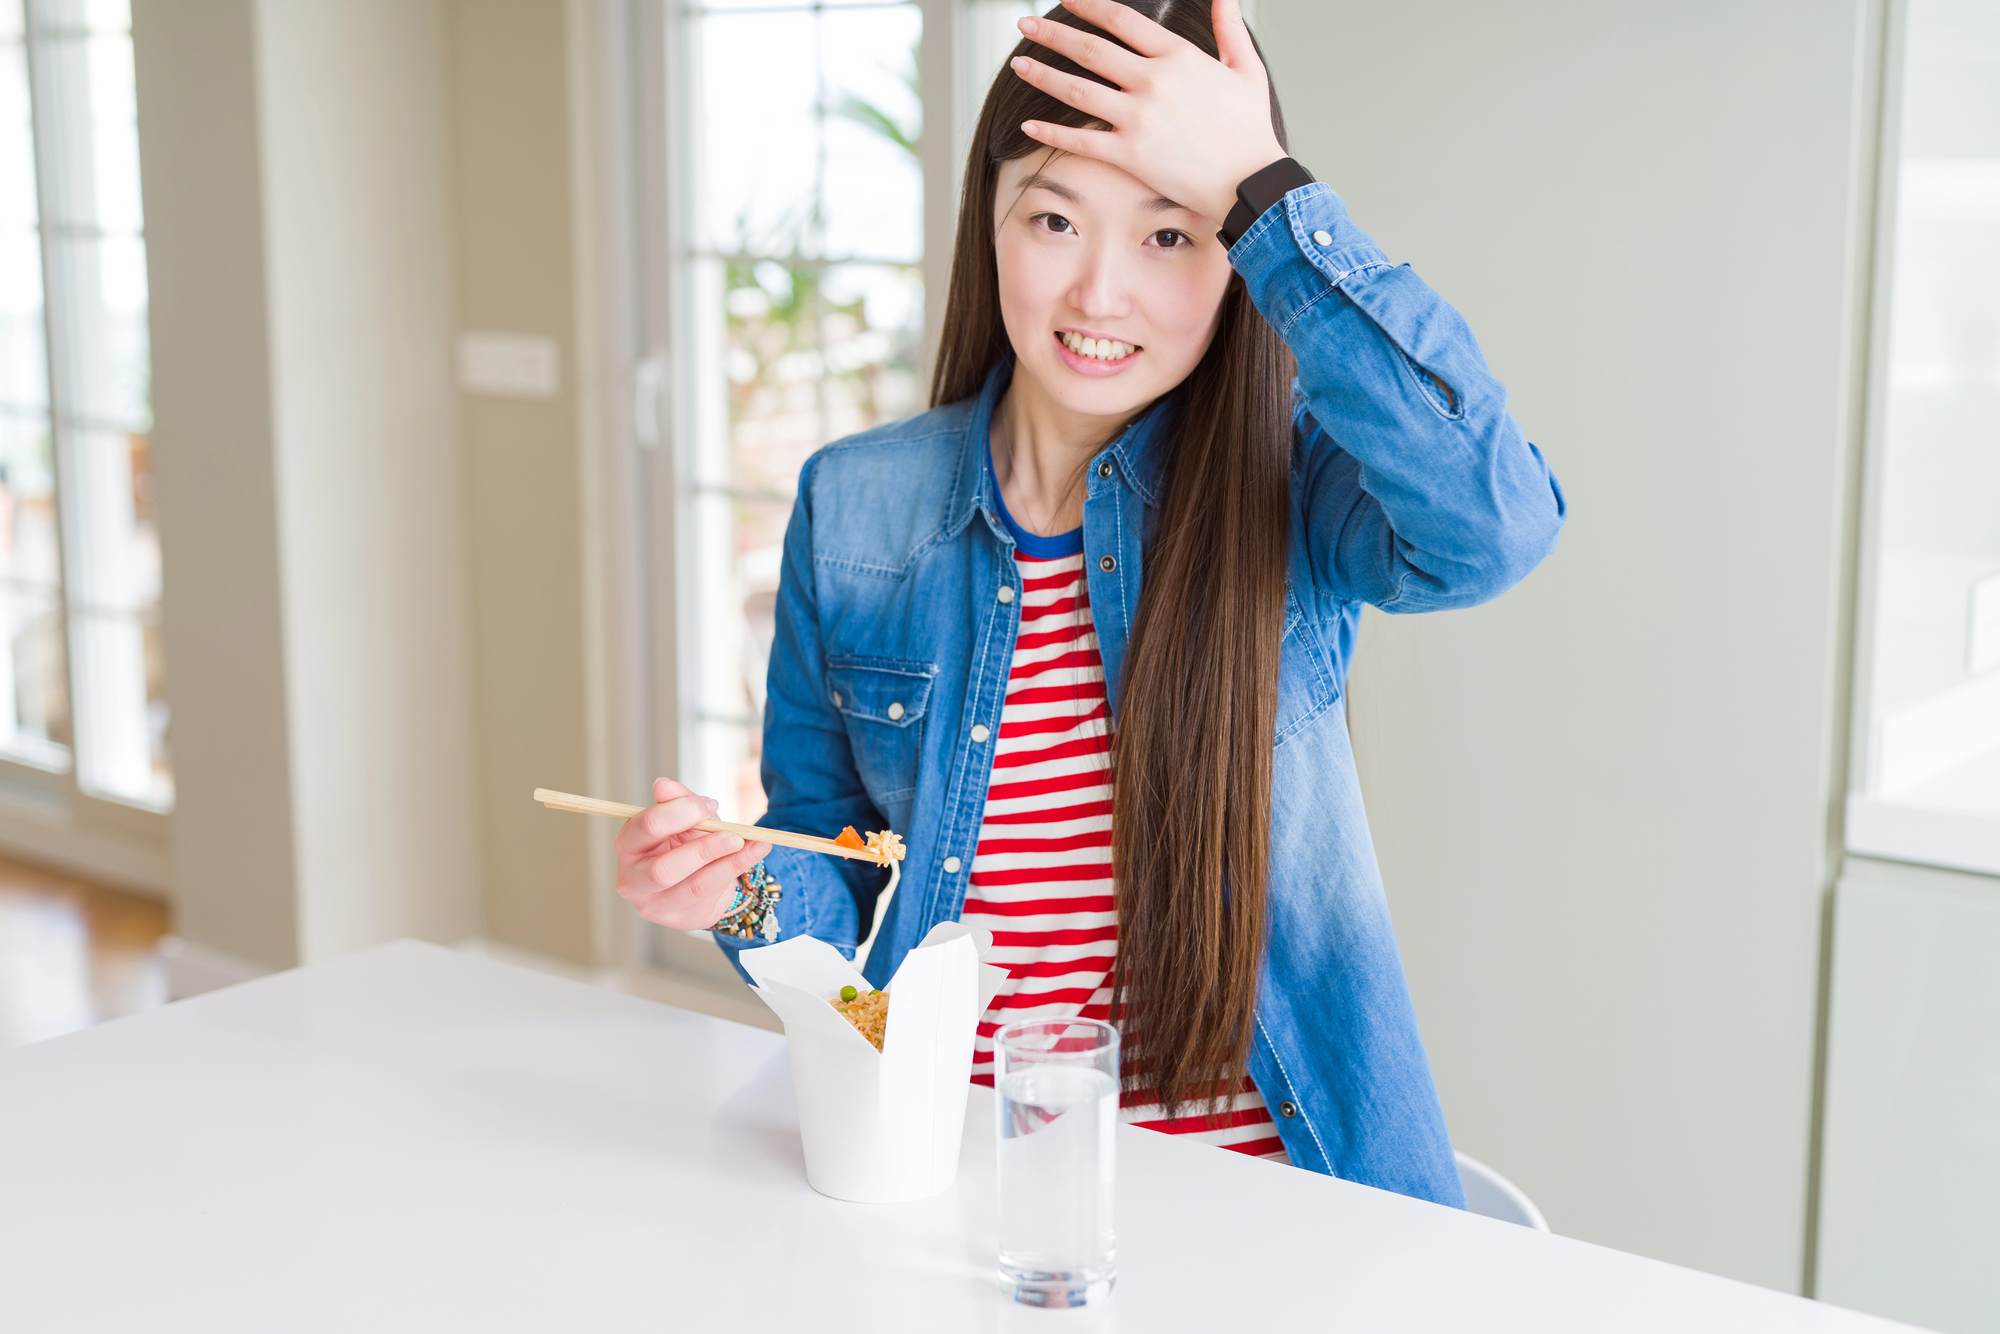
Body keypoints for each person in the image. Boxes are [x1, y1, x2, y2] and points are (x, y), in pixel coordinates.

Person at [614, 0, 1564, 1206]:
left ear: (1235, 253)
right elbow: (847, 914)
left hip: (1282, 1213)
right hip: (963, 1194)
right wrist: (735, 884)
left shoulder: (1289, 482)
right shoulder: (853, 511)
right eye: (1054, 217)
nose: (1099, 293)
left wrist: (1261, 190)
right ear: (991, 221)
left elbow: (1496, 524)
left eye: (1172, 235)